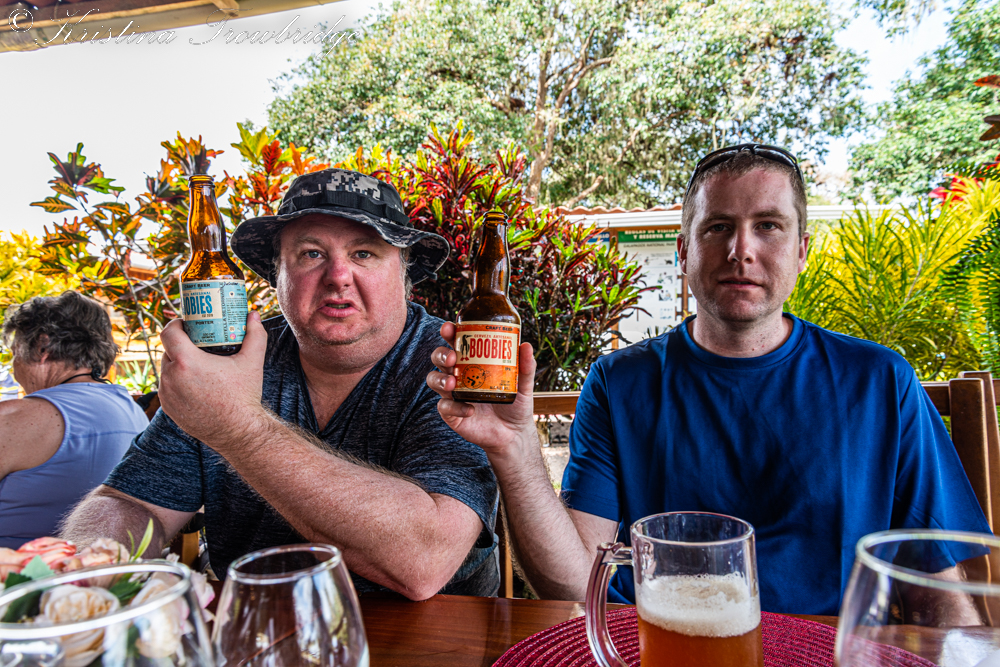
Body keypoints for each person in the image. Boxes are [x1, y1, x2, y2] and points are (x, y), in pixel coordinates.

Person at [427, 144, 991, 615]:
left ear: (801, 252)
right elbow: (577, 580)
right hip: (663, 647)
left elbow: (936, 591)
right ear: (683, 251)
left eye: (767, 226)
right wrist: (514, 447)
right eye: (718, 227)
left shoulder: (880, 382)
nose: (741, 250)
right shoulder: (619, 384)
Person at [63, 169, 500, 599]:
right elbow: (133, 502)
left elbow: (424, 560)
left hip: (434, 630)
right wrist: (88, 568)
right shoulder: (225, 361)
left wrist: (238, 427)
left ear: (404, 276)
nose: (338, 275)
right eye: (311, 254)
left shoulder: (453, 363)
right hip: (255, 621)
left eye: (364, 253)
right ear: (277, 275)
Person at [0, 291, 148, 548]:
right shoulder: (134, 413)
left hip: (23, 570)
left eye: (15, 354)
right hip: (109, 567)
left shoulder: (13, 418)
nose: (14, 369)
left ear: (42, 347)